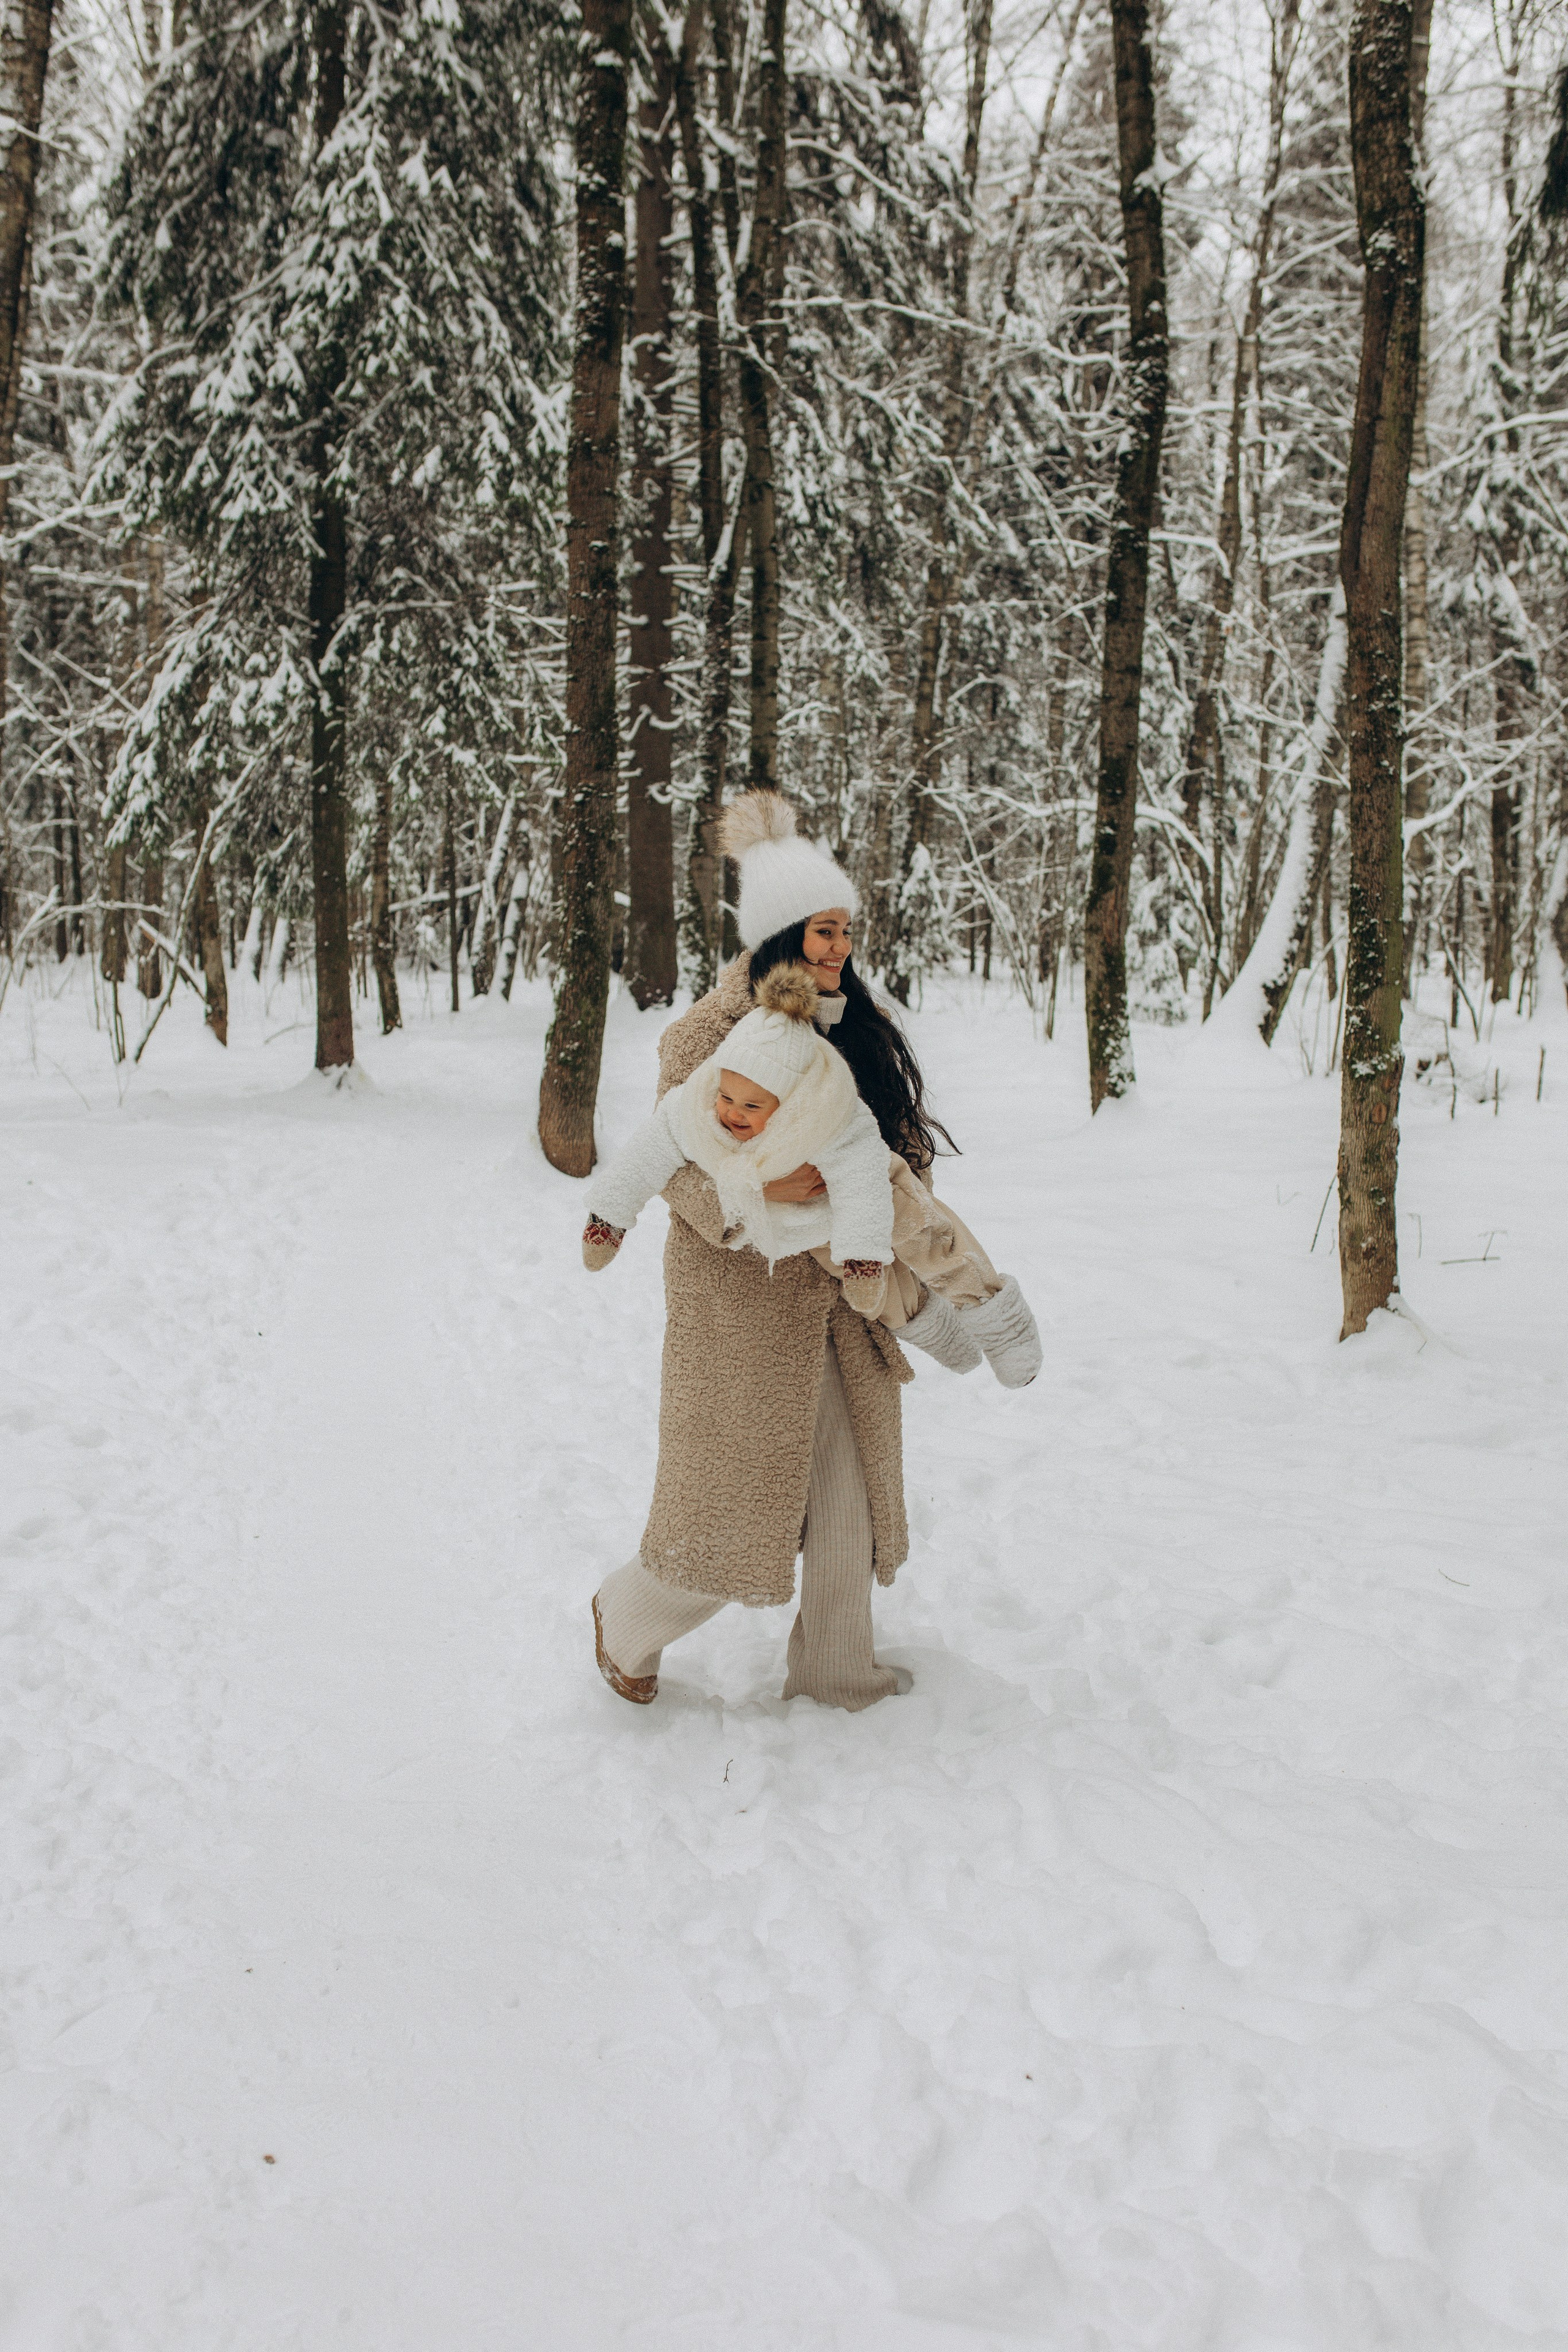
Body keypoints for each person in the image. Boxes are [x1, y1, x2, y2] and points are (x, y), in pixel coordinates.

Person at [589, 788, 1038, 1714]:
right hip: (742, 1306)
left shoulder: (848, 1021)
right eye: (824, 931)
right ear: (779, 935)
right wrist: (760, 1195)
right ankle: (626, 1618)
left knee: (848, 1501)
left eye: (845, 930)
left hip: (846, 1298)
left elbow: (890, 1152)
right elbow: (672, 1162)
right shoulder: (707, 1037)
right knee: (724, 1519)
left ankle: (838, 1674)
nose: (840, 949)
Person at [579, 959, 1042, 1381]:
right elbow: (645, 1156)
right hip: (808, 1219)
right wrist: (608, 1219)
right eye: (727, 1098)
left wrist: (865, 1254)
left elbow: (861, 1180)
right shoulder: (696, 1103)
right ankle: (938, 1335)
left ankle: (998, 1319)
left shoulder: (828, 1114)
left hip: (867, 1185)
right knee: (880, 1295)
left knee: (924, 1234)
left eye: (752, 1106)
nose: (733, 1114)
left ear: (788, 1104)